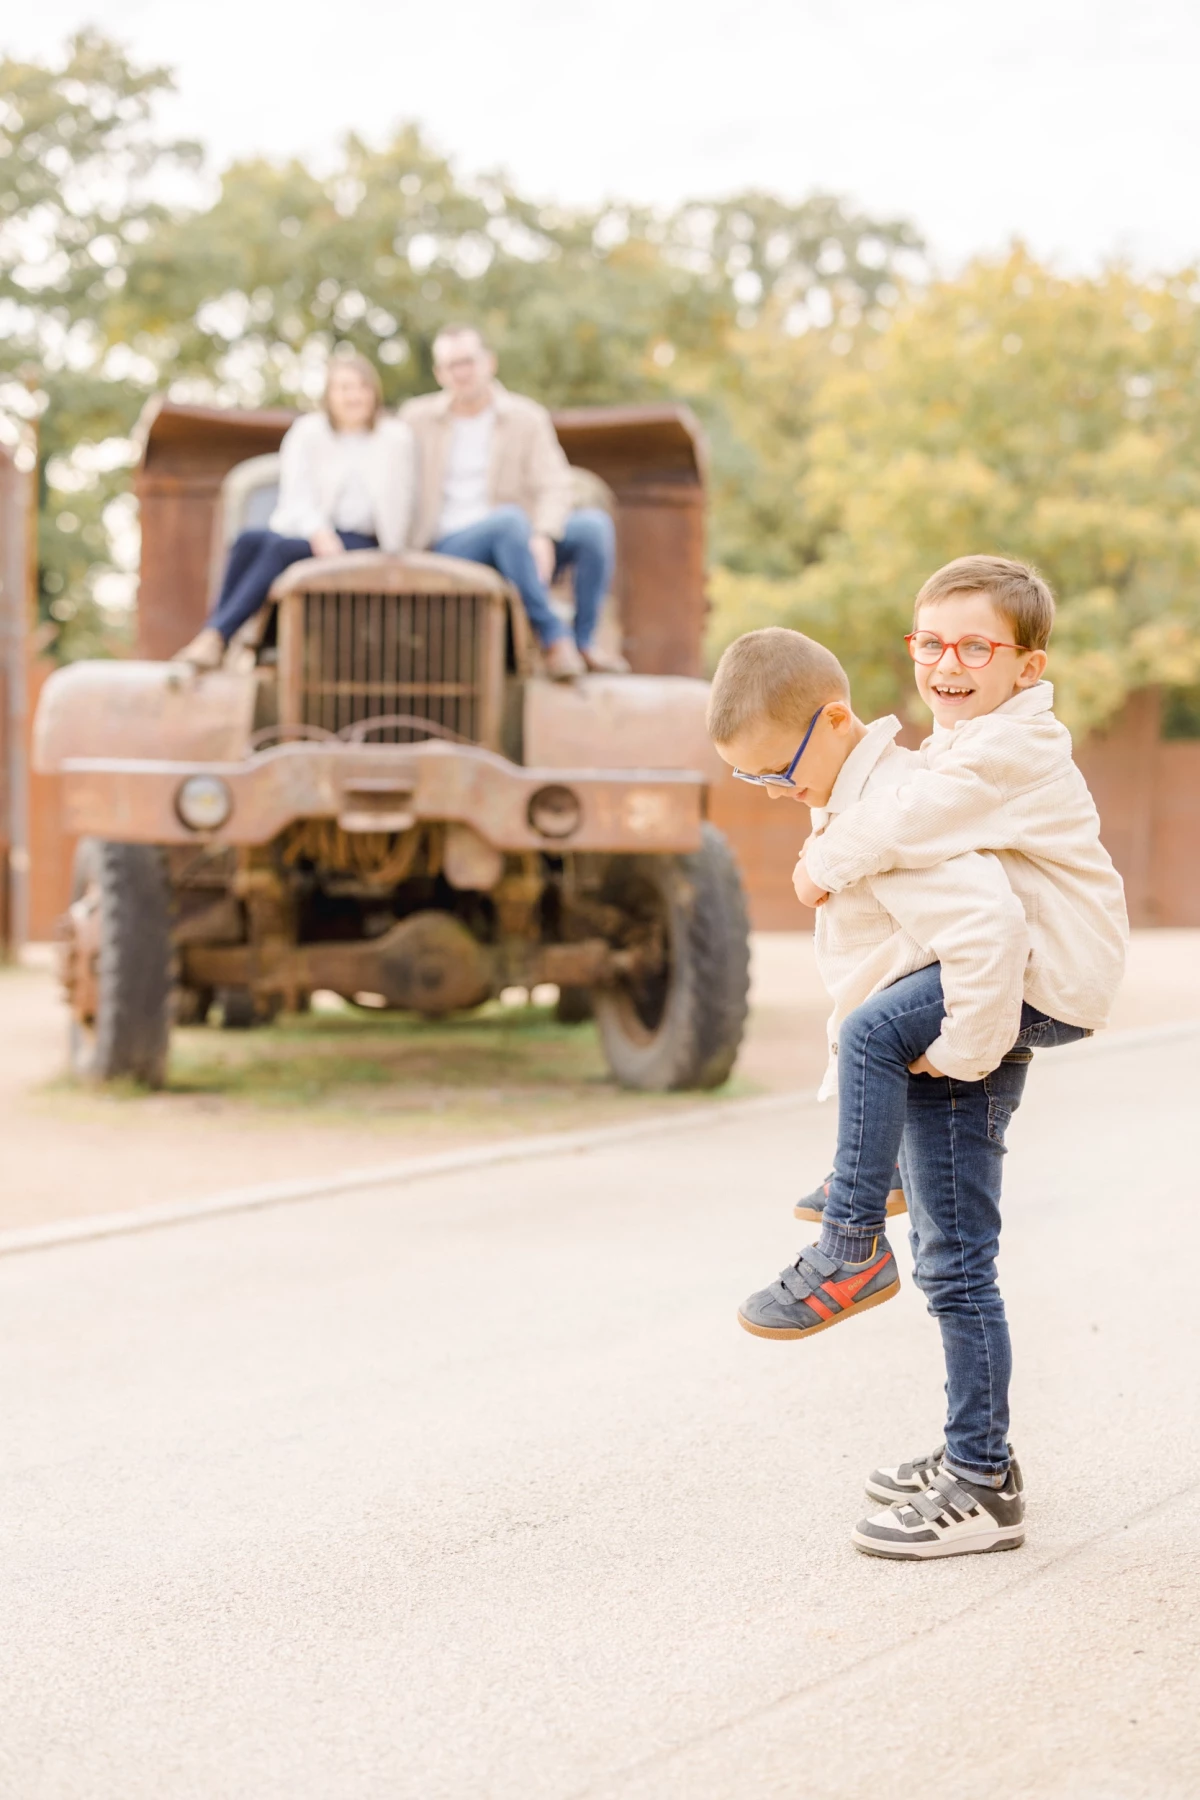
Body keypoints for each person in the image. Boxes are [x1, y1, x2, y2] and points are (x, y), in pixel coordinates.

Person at [706, 555, 1127, 1559]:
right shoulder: (954, 746)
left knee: (874, 1043)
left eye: (975, 645)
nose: (947, 660)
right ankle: (977, 1457)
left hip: (1045, 974)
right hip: (1008, 983)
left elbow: (967, 907)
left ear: (1028, 665)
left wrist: (824, 861)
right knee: (958, 1261)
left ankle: (852, 1253)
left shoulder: (997, 754)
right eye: (930, 642)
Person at [400, 325, 627, 681]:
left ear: (489, 362)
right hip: (452, 546)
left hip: (520, 542)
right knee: (508, 521)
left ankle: (583, 642)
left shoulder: (527, 418)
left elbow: (555, 485)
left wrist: (545, 534)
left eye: (468, 362)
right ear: (439, 374)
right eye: (450, 365)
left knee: (593, 528)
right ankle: (553, 637)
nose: (461, 372)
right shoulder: (416, 419)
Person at [176, 352, 416, 669]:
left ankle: (219, 636)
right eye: (344, 388)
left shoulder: (395, 438)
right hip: (313, 532)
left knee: (276, 548)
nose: (354, 396)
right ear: (329, 395)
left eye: (361, 387)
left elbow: (402, 501)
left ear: (374, 393)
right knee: (248, 539)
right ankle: (216, 636)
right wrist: (318, 531)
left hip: (368, 542)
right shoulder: (308, 432)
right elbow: (295, 495)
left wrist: (393, 551)